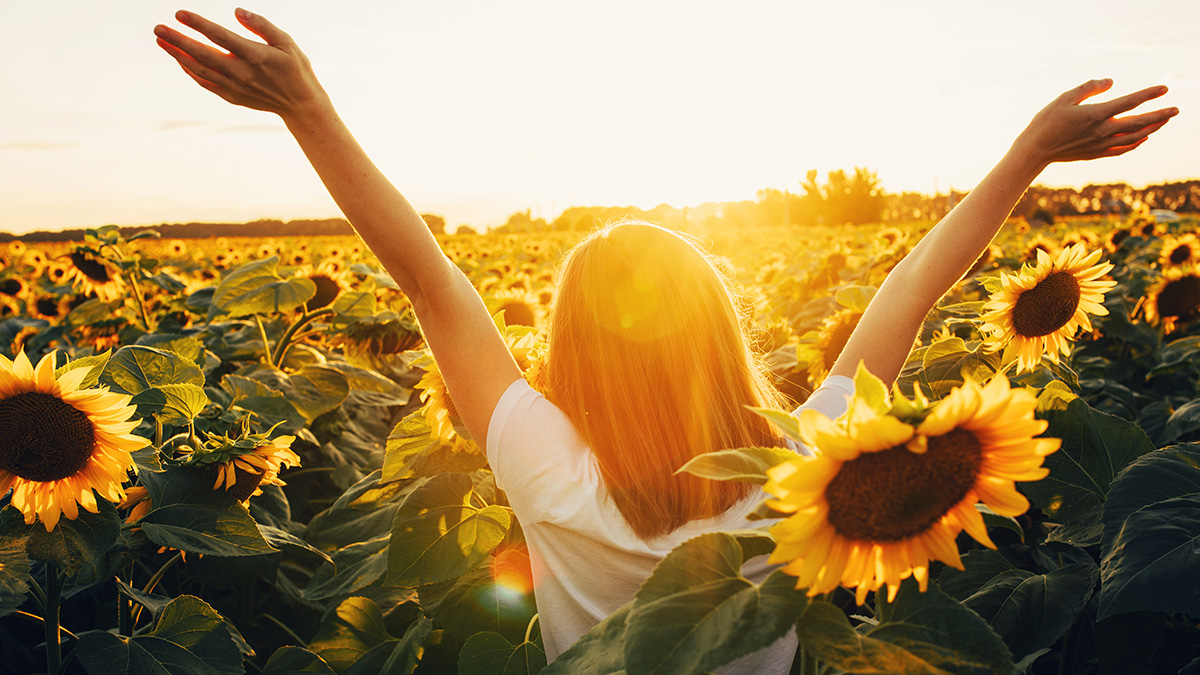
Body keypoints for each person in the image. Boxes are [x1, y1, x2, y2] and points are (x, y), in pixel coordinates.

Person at [153, 8, 1176, 672]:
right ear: (718, 329)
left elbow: (429, 279)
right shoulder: (801, 467)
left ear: (570, 343)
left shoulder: (543, 463)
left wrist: (310, 113)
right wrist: (1026, 156)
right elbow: (914, 284)